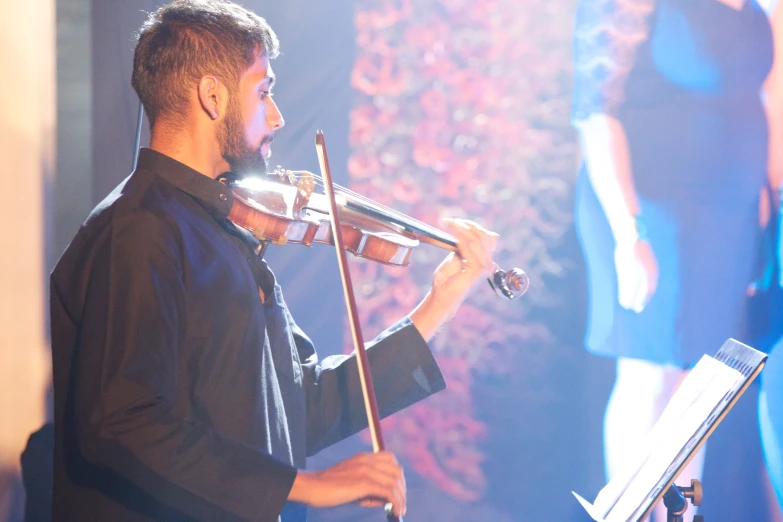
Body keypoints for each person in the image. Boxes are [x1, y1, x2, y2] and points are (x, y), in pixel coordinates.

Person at [49, 1, 500, 520]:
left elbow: (301, 406)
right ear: (212, 96)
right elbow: (125, 421)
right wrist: (303, 485)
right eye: (263, 91)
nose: (278, 116)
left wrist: (438, 305)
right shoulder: (138, 231)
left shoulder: (220, 230)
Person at [571, 0, 783, 520]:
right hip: (650, 210)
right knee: (650, 373)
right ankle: (635, 514)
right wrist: (629, 232)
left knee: (702, 383)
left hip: (728, 215)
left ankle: (680, 516)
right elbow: (595, 112)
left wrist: (772, 200)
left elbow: (766, 98)